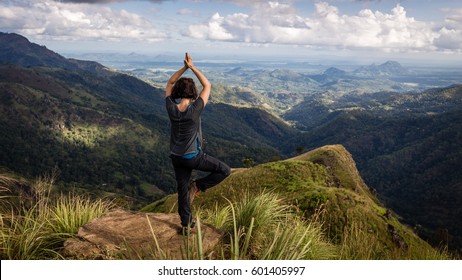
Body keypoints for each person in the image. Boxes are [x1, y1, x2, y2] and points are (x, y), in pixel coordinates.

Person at [165, 53, 231, 235]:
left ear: (178, 92)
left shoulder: (171, 107)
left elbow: (170, 83)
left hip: (176, 157)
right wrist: (192, 67)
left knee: (181, 190)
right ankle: (199, 186)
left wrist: (184, 68)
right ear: (193, 93)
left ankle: (186, 225)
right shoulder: (195, 110)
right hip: (193, 157)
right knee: (225, 170)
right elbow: (207, 85)